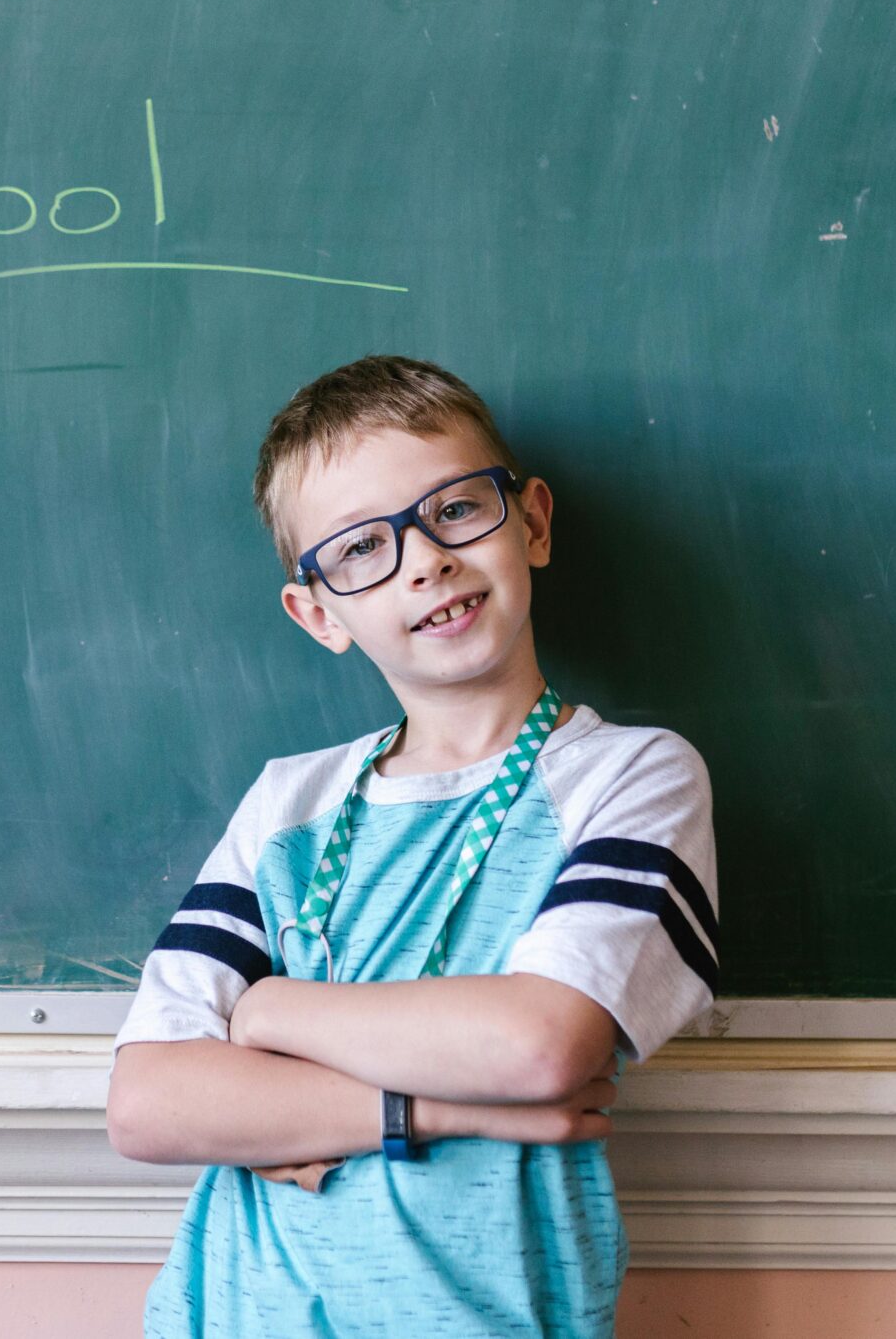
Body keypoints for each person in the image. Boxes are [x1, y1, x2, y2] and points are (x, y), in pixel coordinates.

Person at [105, 355, 721, 1337]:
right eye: (359, 549)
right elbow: (149, 1103)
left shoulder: (631, 777)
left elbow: (538, 1044)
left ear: (531, 522)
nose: (423, 560)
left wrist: (266, 1012)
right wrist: (441, 1110)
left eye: (452, 510)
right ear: (319, 614)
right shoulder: (287, 806)